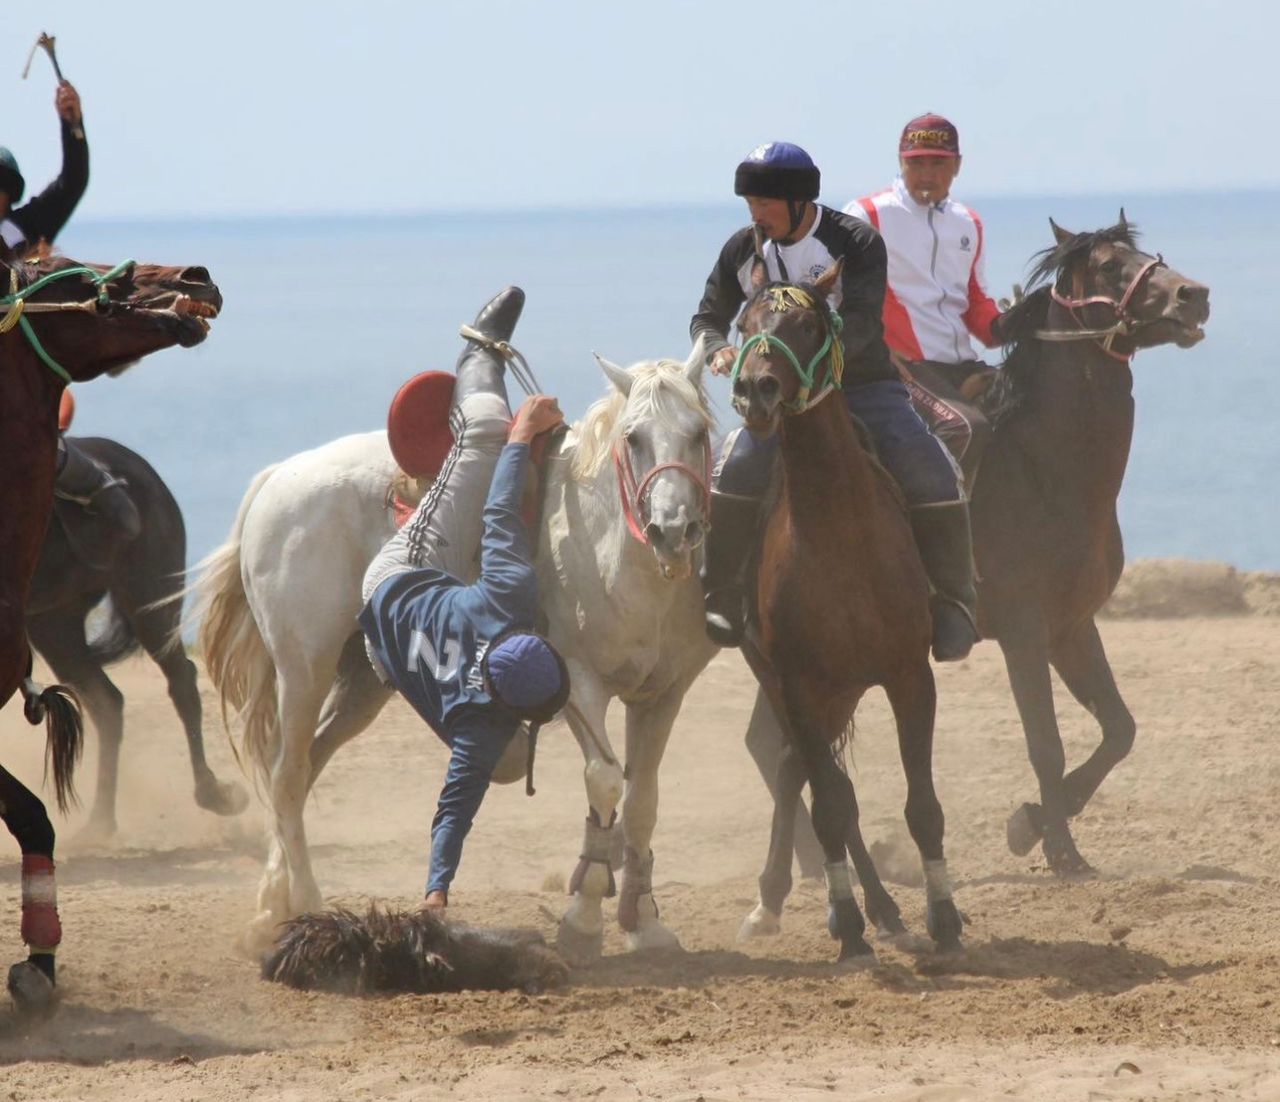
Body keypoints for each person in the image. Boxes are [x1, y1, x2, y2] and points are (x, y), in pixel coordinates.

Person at [691, 141, 979, 661]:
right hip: (773, 398)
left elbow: (866, 323)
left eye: (765, 203)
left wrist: (810, 373)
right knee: (732, 469)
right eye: (750, 204)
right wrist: (717, 348)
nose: (756, 214)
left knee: (927, 462)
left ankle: (956, 600)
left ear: (799, 201)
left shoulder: (855, 242)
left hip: (861, 385)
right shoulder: (742, 250)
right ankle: (723, 594)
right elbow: (708, 316)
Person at [359, 289, 571, 911]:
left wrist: (519, 435)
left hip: (399, 583)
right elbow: (453, 810)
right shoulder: (480, 730)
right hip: (391, 631)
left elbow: (502, 509)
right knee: (498, 769)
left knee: (483, 430)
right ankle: (473, 348)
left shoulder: (509, 598)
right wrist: (435, 887)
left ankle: (482, 359)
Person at [1, 81, 137, 562]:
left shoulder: (22, 228)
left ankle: (100, 522)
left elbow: (71, 183)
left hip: (17, 392)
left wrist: (72, 125)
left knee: (65, 465)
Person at [845, 113, 1003, 472]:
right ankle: (928, 524)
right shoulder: (868, 214)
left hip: (961, 364)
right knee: (966, 429)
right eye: (916, 163)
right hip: (900, 366)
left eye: (938, 163)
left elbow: (976, 302)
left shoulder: (969, 222)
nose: (927, 173)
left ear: (958, 166)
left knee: (1034, 408)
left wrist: (1006, 325)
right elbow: (840, 297)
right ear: (900, 162)